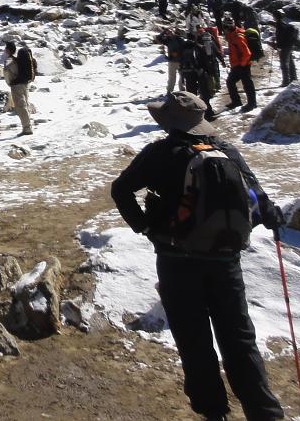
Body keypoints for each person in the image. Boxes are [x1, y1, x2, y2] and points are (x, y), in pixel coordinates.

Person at [110, 91, 285, 421]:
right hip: (226, 261)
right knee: (239, 338)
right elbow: (259, 202)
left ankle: (213, 412)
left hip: (176, 260)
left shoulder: (160, 153)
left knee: (194, 340)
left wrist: (146, 227)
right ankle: (264, 412)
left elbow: (120, 190)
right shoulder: (227, 151)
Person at [224, 15, 258, 111]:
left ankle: (252, 104)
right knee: (230, 82)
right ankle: (236, 101)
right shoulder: (232, 34)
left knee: (247, 84)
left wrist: (242, 65)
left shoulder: (238, 37)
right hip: (237, 65)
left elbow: (247, 53)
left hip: (243, 65)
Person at [3, 40, 34, 135]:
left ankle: (27, 128)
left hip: (16, 85)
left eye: (5, 49)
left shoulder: (9, 60)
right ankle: (28, 125)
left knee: (21, 106)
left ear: (8, 50)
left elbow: (7, 75)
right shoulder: (18, 58)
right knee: (25, 104)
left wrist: (10, 83)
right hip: (25, 83)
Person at [274, 10, 298, 87]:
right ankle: (294, 79)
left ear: (275, 17)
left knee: (284, 64)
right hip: (289, 45)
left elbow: (280, 37)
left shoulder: (279, 25)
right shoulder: (285, 24)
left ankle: (286, 81)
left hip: (284, 46)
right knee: (290, 62)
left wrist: (277, 45)